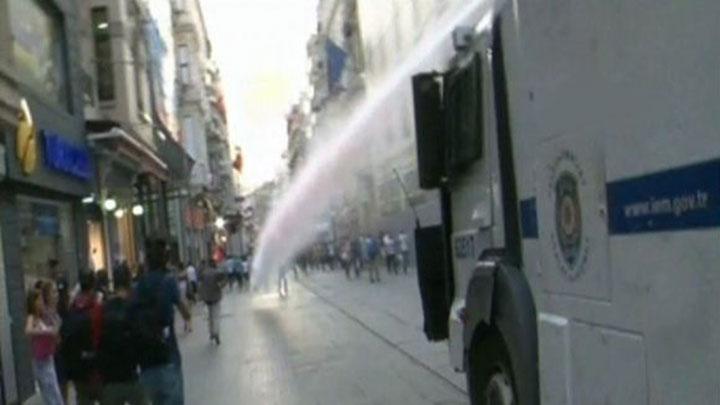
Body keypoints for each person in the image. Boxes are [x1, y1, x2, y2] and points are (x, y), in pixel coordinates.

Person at [132, 237, 192, 405]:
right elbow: (185, 312)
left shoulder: (138, 286)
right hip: (168, 356)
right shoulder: (169, 281)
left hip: (145, 362)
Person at [98, 267, 148, 405]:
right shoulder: (133, 307)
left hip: (110, 380)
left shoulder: (104, 308)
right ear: (129, 283)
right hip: (132, 376)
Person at [62, 272, 102, 405]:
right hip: (96, 367)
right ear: (93, 286)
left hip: (77, 369)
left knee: (83, 398)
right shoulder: (96, 308)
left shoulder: (72, 308)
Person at [26, 286, 64, 405]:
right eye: (39, 300)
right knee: (50, 392)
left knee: (54, 392)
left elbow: (56, 330)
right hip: (40, 361)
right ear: (34, 302)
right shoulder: (32, 318)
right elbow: (28, 331)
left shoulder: (44, 317)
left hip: (48, 357)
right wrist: (46, 332)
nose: (42, 302)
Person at [199, 261, 225, 344]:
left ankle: (211, 333)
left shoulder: (204, 273)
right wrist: (220, 286)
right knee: (216, 316)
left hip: (207, 298)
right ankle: (216, 333)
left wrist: (201, 295)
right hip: (216, 297)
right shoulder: (217, 272)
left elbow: (201, 284)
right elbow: (223, 282)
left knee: (210, 316)